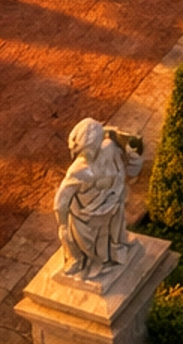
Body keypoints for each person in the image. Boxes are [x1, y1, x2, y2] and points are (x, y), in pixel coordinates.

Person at [54, 120, 143, 281]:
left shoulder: (110, 149)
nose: (88, 155)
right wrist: (63, 225)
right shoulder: (78, 171)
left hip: (111, 206)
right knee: (91, 242)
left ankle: (113, 252)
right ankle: (91, 260)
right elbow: (61, 201)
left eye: (91, 149)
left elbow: (126, 156)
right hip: (86, 216)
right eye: (84, 151)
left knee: (111, 231)